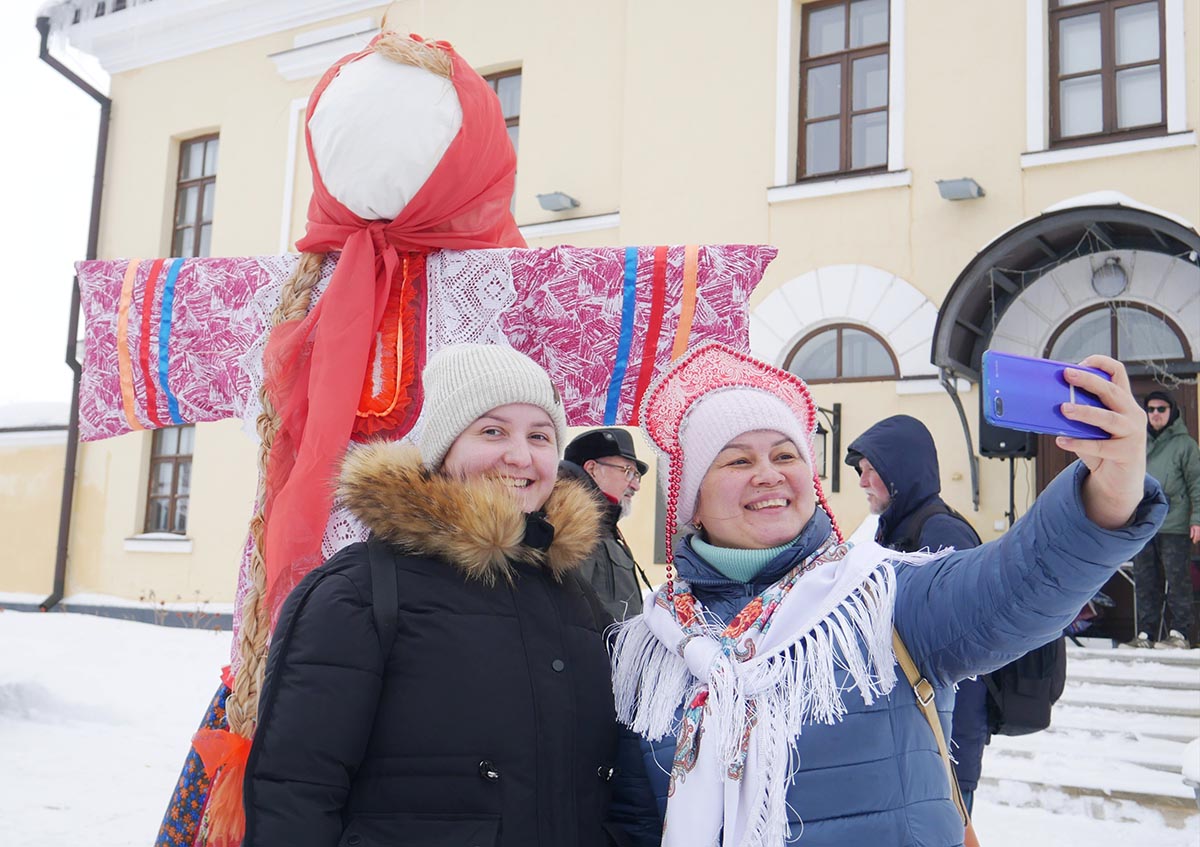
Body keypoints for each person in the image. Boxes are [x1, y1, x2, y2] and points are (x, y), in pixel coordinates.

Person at [609, 342, 1165, 847]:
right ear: (691, 504)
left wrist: (1108, 492)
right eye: (737, 460)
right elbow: (634, 819)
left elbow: (1017, 585)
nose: (769, 474)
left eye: (786, 456)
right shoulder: (650, 647)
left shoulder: (882, 592)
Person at [243, 344, 625, 847]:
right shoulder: (359, 592)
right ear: (444, 448)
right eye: (492, 431)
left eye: (540, 436)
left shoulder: (576, 599)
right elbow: (294, 793)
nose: (520, 455)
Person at [845, 415, 987, 814]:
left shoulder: (941, 535)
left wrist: (950, 743)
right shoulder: (896, 531)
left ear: (898, 472)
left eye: (869, 470)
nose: (860, 482)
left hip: (945, 738)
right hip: (913, 732)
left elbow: (965, 652)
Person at [1128, 390, 1200, 648]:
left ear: (1172, 412)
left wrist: (1197, 519)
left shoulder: (1186, 445)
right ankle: (1145, 635)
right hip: (1144, 523)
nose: (1155, 414)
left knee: (1177, 580)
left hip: (1175, 525)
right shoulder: (1137, 442)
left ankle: (1179, 634)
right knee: (1145, 581)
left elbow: (1197, 483)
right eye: (1151, 409)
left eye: (1161, 409)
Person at [560, 428, 654, 620]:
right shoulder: (567, 525)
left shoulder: (604, 526)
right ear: (592, 469)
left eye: (636, 475)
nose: (635, 485)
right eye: (628, 472)